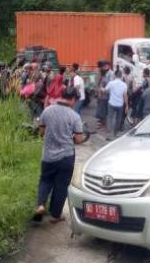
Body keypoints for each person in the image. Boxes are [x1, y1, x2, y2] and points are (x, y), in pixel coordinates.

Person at [33, 86, 85, 223]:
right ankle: (55, 215)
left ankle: (40, 205)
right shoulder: (74, 116)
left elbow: (41, 132)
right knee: (61, 185)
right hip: (66, 157)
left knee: (45, 180)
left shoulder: (47, 110)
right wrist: (68, 137)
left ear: (62, 95)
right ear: (73, 99)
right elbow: (79, 140)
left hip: (48, 155)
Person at [104, 70, 128, 140]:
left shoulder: (111, 83)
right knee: (118, 119)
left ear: (115, 75)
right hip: (120, 104)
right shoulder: (124, 85)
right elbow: (125, 96)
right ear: (121, 76)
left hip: (111, 103)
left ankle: (108, 134)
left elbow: (105, 90)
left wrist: (102, 89)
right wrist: (126, 106)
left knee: (110, 118)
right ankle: (115, 133)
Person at [95, 61, 114, 129]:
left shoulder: (111, 73)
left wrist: (102, 89)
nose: (102, 68)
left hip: (106, 95)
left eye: (104, 66)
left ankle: (104, 125)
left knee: (104, 110)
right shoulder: (103, 72)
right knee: (100, 110)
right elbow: (98, 82)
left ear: (108, 66)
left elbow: (110, 84)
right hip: (101, 94)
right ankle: (101, 124)